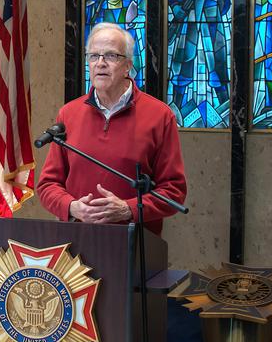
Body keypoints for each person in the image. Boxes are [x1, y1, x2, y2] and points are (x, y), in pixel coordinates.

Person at [37, 23, 187, 234]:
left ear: (127, 65)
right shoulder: (68, 114)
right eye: (93, 56)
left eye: (110, 56)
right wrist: (72, 207)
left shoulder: (160, 116)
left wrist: (129, 209)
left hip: (134, 245)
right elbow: (47, 185)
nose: (100, 63)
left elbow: (174, 192)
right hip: (74, 243)